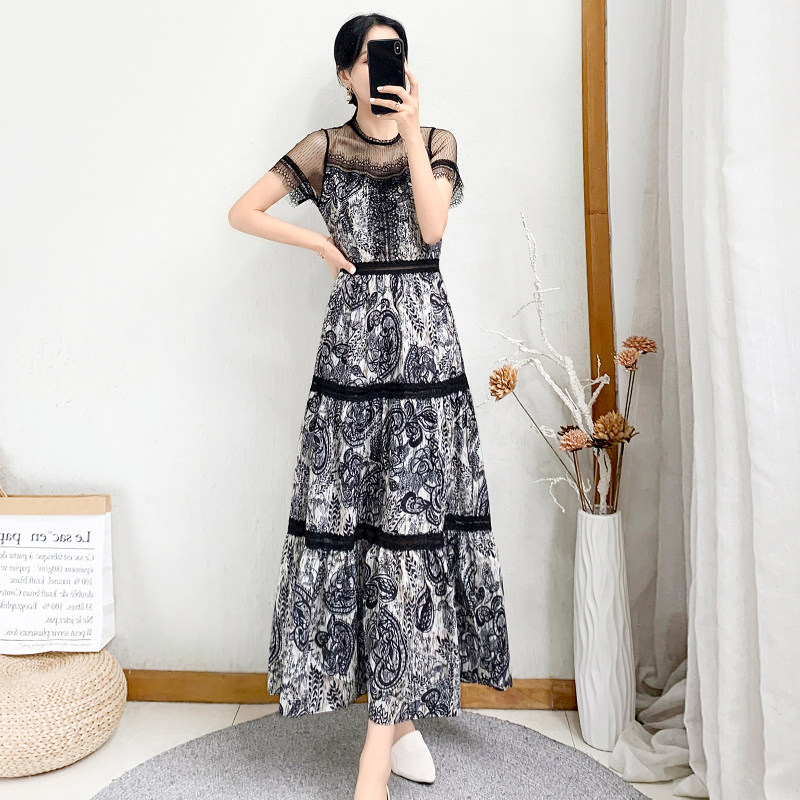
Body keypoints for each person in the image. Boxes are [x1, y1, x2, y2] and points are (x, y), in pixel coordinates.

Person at [227, 13, 512, 800]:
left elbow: (431, 227)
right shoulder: (322, 147)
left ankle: (375, 754)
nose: (385, 68)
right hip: (351, 356)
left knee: (412, 536)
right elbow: (243, 211)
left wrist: (413, 132)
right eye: (370, 57)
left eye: (395, 55)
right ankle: (401, 719)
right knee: (358, 528)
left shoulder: (438, 139)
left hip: (424, 354)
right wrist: (320, 244)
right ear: (346, 73)